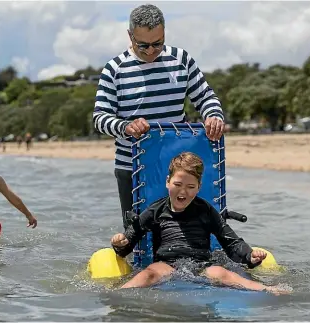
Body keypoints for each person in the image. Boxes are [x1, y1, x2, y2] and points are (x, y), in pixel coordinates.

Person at [92, 4, 225, 229]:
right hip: (132, 167)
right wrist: (126, 126)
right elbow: (100, 118)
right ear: (130, 35)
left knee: (190, 230)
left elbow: (205, 97)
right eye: (143, 45)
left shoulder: (181, 59)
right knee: (138, 234)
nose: (151, 50)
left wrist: (213, 116)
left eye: (158, 43)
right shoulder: (114, 69)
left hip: (179, 164)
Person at [110, 152, 290, 295]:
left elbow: (231, 242)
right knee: (150, 273)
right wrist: (120, 244)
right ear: (167, 182)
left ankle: (267, 289)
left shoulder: (206, 211)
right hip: (166, 263)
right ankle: (118, 293)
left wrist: (249, 256)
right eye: (178, 184)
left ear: (199, 187)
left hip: (201, 265)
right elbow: (130, 239)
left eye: (190, 187)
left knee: (221, 273)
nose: (183, 192)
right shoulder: (155, 210)